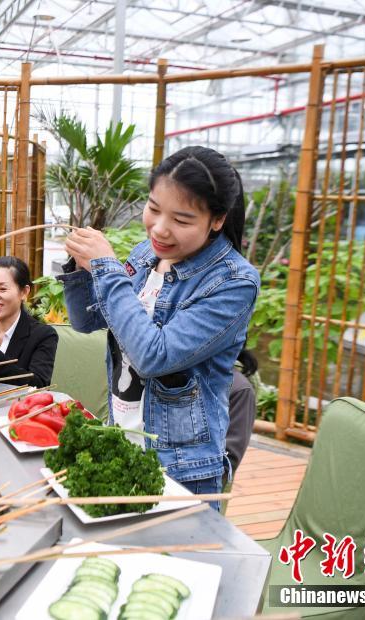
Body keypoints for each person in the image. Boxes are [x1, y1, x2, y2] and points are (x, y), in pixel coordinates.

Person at [59, 146, 260, 511]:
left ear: (217, 220)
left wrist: (107, 268)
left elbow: (155, 355)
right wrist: (79, 270)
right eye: (153, 209)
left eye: (181, 220)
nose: (160, 229)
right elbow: (88, 320)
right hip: (120, 444)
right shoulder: (144, 254)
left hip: (180, 470)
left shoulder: (234, 281)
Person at [0, 257, 58, 388]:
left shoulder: (43, 335)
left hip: (18, 407)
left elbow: (39, 386)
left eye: (2, 289)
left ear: (24, 292)